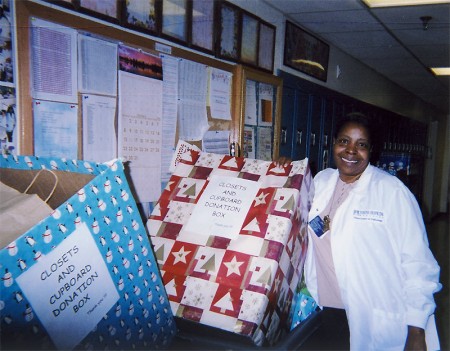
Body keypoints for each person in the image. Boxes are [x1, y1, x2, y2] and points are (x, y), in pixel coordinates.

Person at [278, 113, 441, 350]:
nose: (351, 150)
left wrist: (417, 330)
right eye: (344, 141)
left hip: (374, 315)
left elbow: (418, 264)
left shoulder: (392, 192)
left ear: (371, 150)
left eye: (361, 144)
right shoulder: (322, 180)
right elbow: (288, 214)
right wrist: (284, 172)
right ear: (333, 143)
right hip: (325, 309)